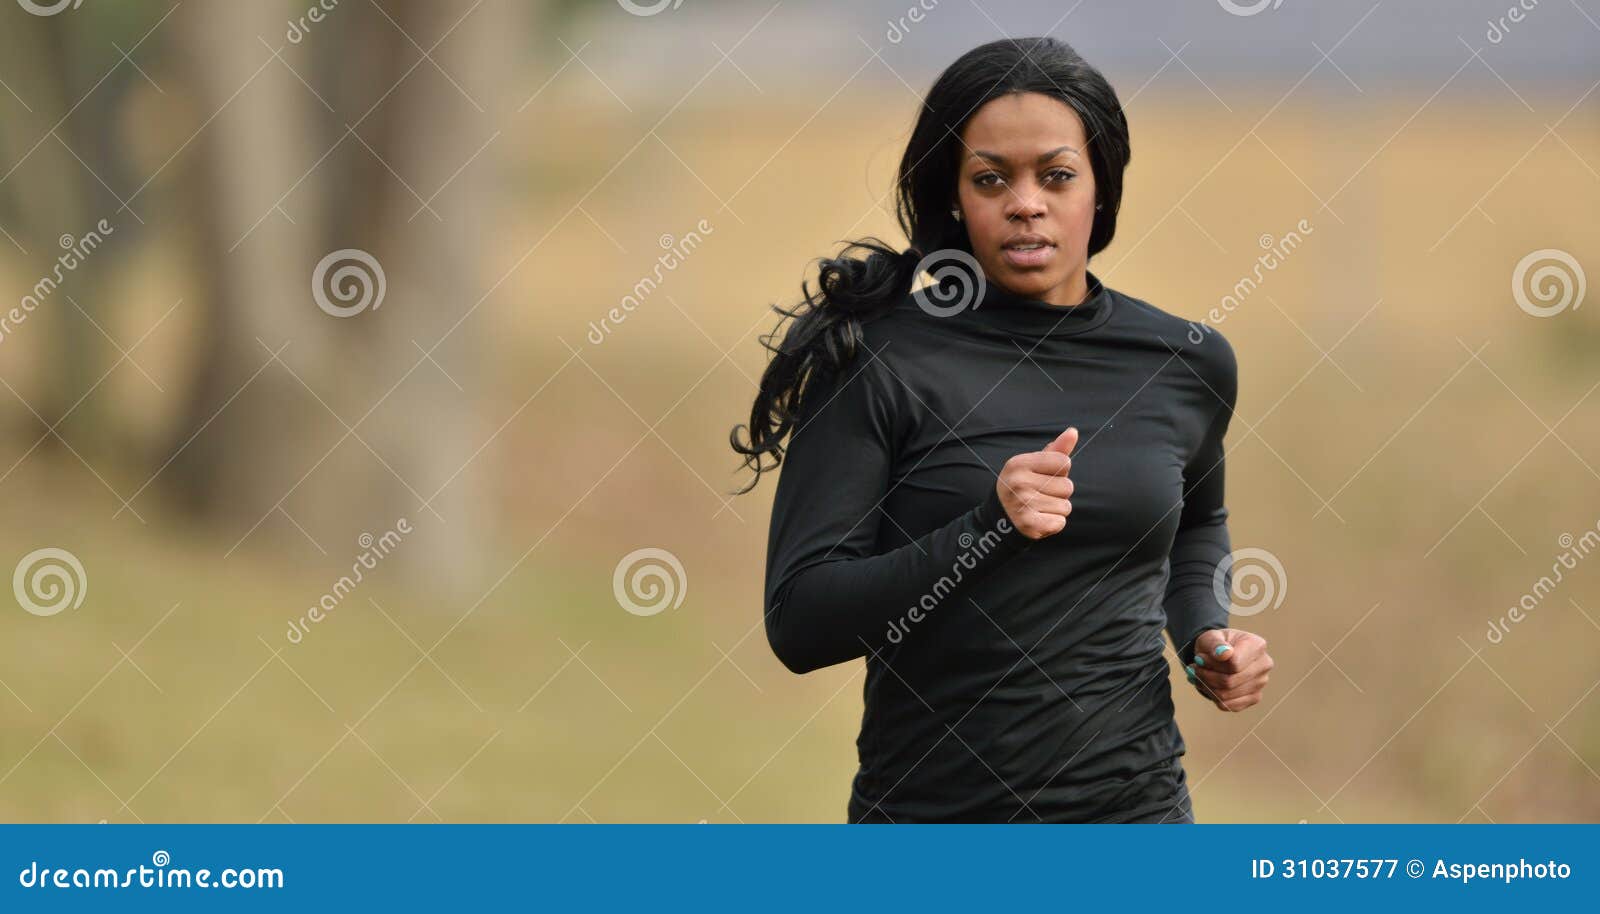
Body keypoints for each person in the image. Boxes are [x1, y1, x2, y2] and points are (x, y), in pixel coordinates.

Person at [729, 36, 1273, 824]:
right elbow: (801, 620)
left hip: (1139, 824)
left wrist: (1204, 641)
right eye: (992, 179)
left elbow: (1197, 525)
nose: (1027, 202)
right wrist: (988, 526)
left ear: (1101, 189)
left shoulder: (1183, 362)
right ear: (955, 196)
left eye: (1056, 175)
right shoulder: (880, 360)